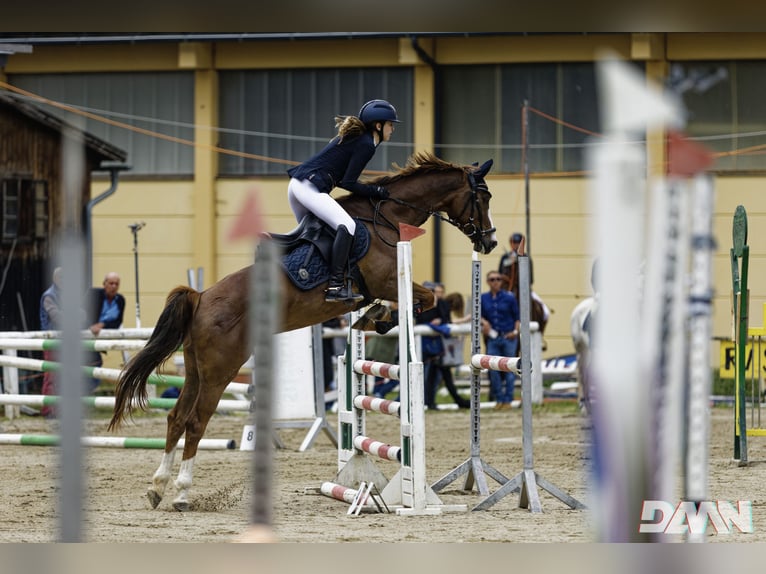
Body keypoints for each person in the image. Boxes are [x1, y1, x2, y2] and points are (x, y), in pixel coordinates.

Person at [286, 99, 400, 303]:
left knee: (315, 233)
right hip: (309, 187)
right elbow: (348, 182)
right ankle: (335, 285)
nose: (393, 129)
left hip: (298, 186)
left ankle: (299, 268)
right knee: (347, 225)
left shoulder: (360, 139)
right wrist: (376, 191)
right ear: (378, 125)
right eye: (391, 124)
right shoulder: (366, 144)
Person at [417, 282, 470, 410]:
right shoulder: (426, 304)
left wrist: (440, 321)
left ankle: (431, 402)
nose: (438, 294)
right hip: (430, 346)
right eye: (436, 292)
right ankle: (435, 401)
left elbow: (444, 319)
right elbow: (426, 320)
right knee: (434, 376)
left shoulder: (441, 304)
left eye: (439, 292)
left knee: (439, 375)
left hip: (438, 347)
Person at [480, 271, 521, 410]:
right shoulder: (483, 298)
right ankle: (499, 398)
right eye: (492, 279)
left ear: (502, 281)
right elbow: (478, 314)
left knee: (510, 369)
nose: (495, 282)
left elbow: (517, 317)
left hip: (509, 337)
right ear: (488, 282)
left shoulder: (510, 298)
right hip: (493, 338)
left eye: (498, 279)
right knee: (493, 369)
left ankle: (508, 400)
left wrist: (515, 332)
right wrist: (484, 322)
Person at [85, 272, 126, 392]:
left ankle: (88, 390)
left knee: (95, 362)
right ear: (104, 284)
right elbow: (81, 312)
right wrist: (90, 326)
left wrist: (102, 325)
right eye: (111, 283)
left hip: (101, 337)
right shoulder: (93, 294)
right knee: (92, 361)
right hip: (86, 335)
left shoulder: (120, 300)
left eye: (116, 284)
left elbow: (118, 322)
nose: (113, 286)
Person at [39, 266, 64, 418]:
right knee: (51, 376)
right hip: (51, 340)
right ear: (56, 278)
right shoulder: (49, 296)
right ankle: (48, 410)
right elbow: (56, 317)